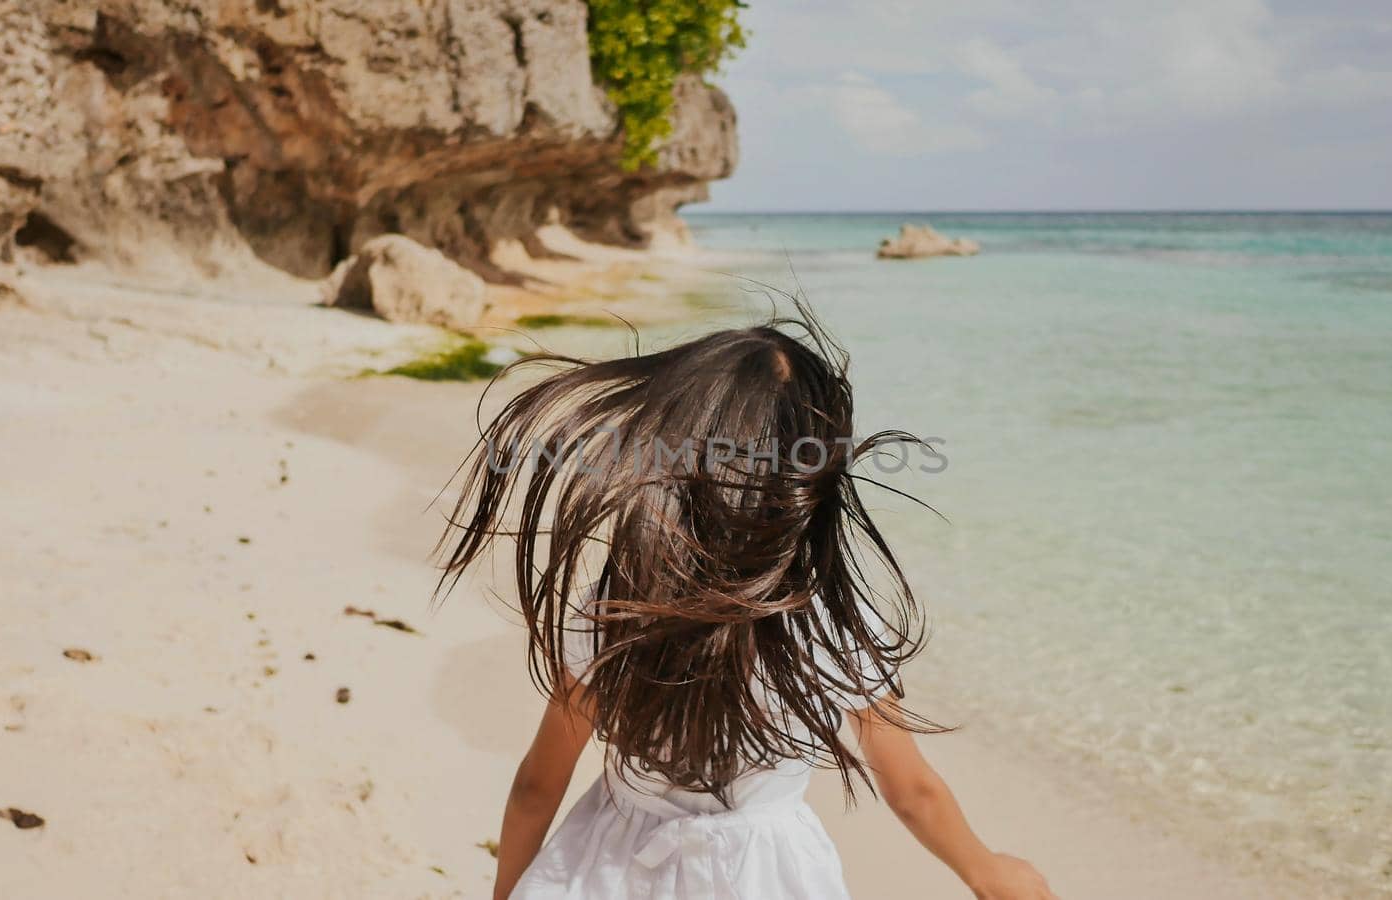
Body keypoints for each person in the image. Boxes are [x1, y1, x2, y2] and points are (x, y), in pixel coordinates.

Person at [437, 311, 1056, 899]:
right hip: (766, 872)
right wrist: (985, 871)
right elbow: (911, 792)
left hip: (609, 865)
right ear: (813, 478)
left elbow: (537, 786)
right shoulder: (830, 623)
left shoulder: (615, 606)